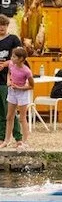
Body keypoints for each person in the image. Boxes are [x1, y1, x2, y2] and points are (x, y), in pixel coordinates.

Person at [0, 15, 24, 146]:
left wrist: (6, 64)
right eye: (0, 25)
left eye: (4, 25)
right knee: (0, 112)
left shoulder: (13, 40)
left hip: (8, 80)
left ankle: (18, 137)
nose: (1, 27)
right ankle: (2, 137)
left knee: (9, 111)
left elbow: (21, 57)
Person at [2, 47, 32, 149]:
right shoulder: (11, 64)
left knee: (22, 118)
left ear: (21, 59)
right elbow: (9, 73)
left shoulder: (26, 71)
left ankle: (24, 141)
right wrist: (8, 81)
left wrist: (19, 87)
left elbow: (31, 86)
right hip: (12, 92)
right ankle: (6, 140)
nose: (11, 58)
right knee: (9, 116)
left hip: (22, 93)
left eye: (14, 56)